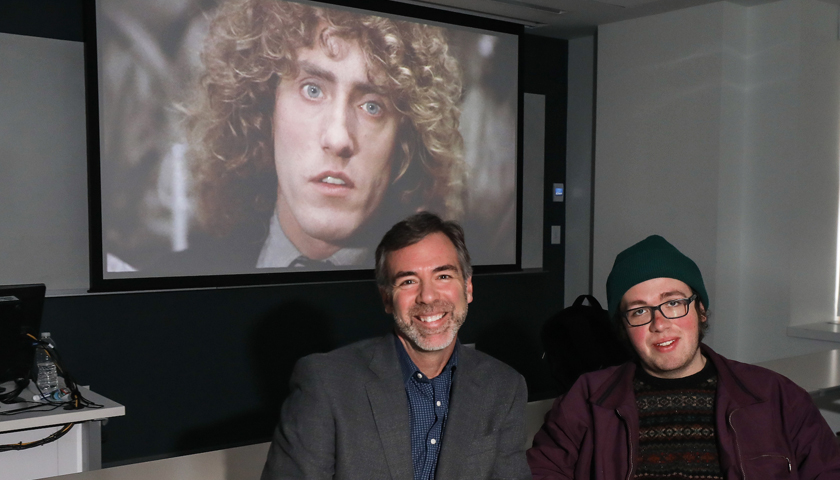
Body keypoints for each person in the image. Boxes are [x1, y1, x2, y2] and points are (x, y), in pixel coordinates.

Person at [183, 0, 465, 272]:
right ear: (263, 108)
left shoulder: (428, 307)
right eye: (312, 90)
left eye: (372, 107)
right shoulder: (182, 281)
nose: (339, 138)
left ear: (404, 142)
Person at [528, 235, 840, 479]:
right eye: (639, 311)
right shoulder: (585, 400)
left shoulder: (777, 397)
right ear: (623, 327)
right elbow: (539, 472)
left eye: (674, 303)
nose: (659, 323)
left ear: (700, 310)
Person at [260, 212, 530, 479]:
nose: (427, 296)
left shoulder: (503, 387)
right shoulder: (326, 384)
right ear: (387, 299)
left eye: (443, 276)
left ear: (468, 288)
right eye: (409, 281)